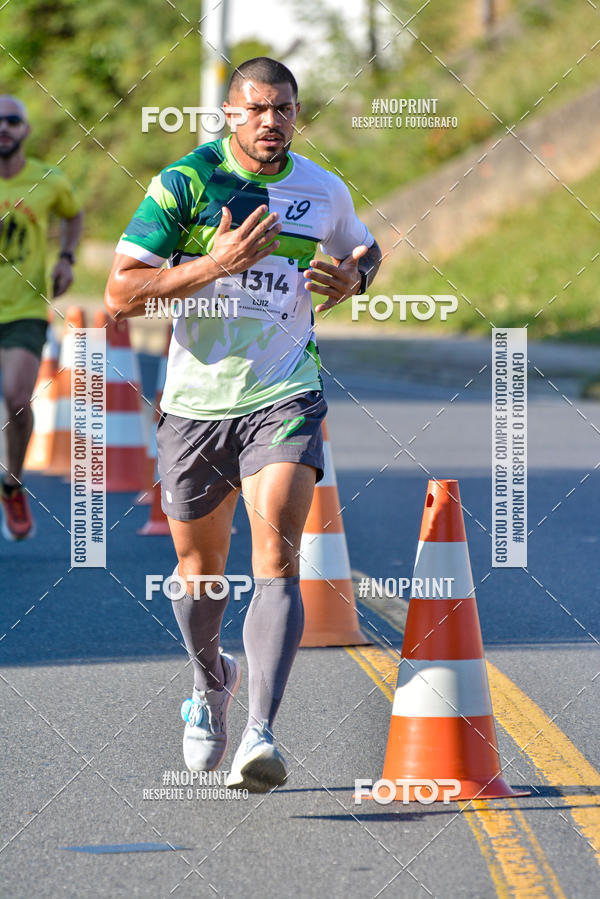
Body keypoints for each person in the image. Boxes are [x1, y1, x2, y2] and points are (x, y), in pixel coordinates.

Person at [105, 57, 381, 792]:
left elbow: (363, 246)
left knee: (276, 557)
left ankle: (261, 729)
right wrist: (212, 263)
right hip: (196, 402)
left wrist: (357, 277)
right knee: (199, 575)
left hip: (284, 391)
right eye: (256, 109)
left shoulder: (322, 189)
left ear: (296, 114)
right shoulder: (186, 183)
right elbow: (122, 291)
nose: (271, 122)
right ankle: (210, 682)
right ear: (230, 115)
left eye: (284, 109)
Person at [0, 96, 83, 540]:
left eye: (12, 120)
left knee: (16, 398)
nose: (4, 128)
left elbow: (74, 214)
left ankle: (12, 483)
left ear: (26, 130)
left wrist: (67, 258)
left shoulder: (48, 180)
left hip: (25, 309)